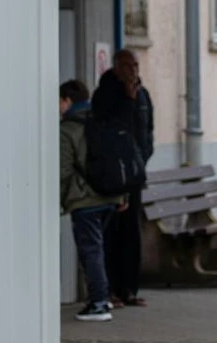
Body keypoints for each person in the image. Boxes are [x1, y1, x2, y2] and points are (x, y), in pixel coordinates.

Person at [60, 79, 126, 322]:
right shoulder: (104, 119)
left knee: (90, 251)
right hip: (111, 195)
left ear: (67, 100)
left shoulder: (67, 129)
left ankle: (98, 303)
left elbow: (63, 170)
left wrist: (61, 200)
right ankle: (104, 296)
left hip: (84, 199)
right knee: (100, 249)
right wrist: (123, 194)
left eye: (60, 101)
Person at [102, 49, 155, 307]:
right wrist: (126, 98)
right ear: (116, 67)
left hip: (134, 177)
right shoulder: (107, 92)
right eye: (127, 65)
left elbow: (148, 131)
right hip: (113, 178)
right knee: (112, 235)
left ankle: (130, 290)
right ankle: (110, 290)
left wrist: (141, 160)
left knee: (132, 235)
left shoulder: (142, 94)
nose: (133, 70)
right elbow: (108, 129)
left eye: (135, 65)